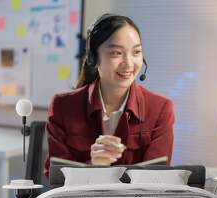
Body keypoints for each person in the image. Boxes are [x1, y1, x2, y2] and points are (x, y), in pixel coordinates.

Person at [44, 13, 175, 178]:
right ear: (93, 58)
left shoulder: (160, 109)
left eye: (136, 52)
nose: (128, 63)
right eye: (116, 53)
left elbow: (157, 181)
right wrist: (93, 165)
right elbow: (55, 178)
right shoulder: (63, 107)